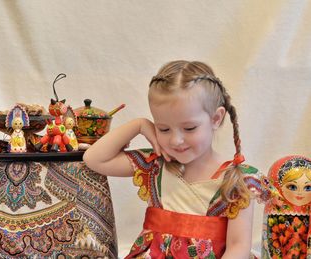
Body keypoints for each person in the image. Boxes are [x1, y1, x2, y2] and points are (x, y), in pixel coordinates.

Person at [83, 60, 267, 258]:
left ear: (216, 119)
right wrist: (139, 125)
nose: (176, 140)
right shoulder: (154, 164)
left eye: (189, 128)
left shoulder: (237, 180)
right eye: (163, 129)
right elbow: (94, 159)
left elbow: (238, 247)